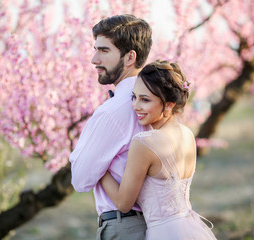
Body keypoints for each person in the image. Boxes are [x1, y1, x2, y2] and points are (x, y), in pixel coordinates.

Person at [100, 60, 217, 240]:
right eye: (134, 97)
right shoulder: (188, 135)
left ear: (169, 105)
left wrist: (99, 166)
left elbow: (123, 203)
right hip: (191, 229)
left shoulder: (144, 143)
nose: (135, 106)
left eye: (145, 100)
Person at [69, 14, 152, 240]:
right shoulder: (157, 103)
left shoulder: (112, 111)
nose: (94, 59)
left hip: (124, 228)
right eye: (95, 49)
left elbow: (80, 179)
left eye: (104, 51)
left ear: (129, 57)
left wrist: (92, 163)